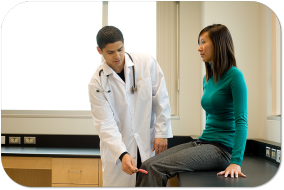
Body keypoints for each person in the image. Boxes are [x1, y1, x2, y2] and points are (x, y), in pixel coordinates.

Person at [136, 24, 248, 187]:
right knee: (146, 165)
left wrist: (236, 162)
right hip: (204, 142)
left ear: (218, 44)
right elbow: (210, 115)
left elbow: (241, 121)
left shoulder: (235, 76)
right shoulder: (207, 78)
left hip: (222, 149)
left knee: (155, 168)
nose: (199, 48)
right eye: (199, 42)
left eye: (203, 42)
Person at [88, 26, 173, 187]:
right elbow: (105, 123)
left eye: (120, 49)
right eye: (110, 52)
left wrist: (162, 132)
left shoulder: (146, 62)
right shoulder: (97, 82)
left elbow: (161, 98)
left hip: (149, 142)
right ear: (99, 51)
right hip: (120, 150)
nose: (117, 56)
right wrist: (122, 154)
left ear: (124, 44)